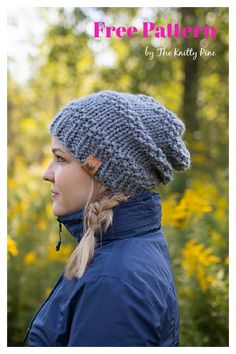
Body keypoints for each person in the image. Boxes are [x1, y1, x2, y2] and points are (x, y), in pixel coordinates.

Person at [25, 90, 191, 347]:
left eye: (60, 158)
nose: (47, 173)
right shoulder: (121, 248)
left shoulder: (115, 284)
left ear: (99, 171)